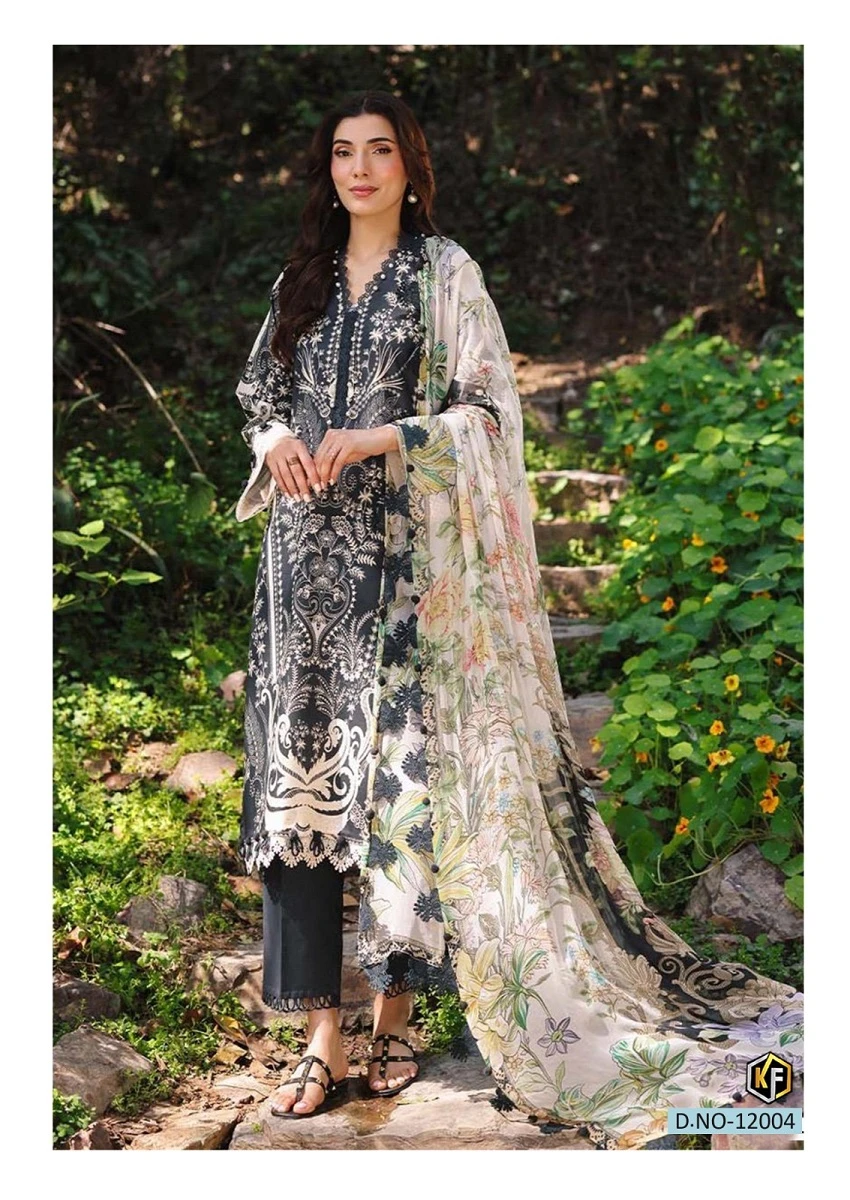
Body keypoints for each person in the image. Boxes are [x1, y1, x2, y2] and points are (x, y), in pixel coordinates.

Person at [233, 90, 804, 1147]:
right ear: (326, 170)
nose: (360, 169)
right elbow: (258, 394)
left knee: (401, 797)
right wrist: (275, 441)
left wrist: (381, 438)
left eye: (380, 151)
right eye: (343, 153)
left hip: (408, 577)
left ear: (411, 168)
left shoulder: (446, 274)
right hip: (301, 577)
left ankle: (394, 1017)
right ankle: (319, 1034)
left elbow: (490, 412)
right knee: (298, 794)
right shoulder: (298, 279)